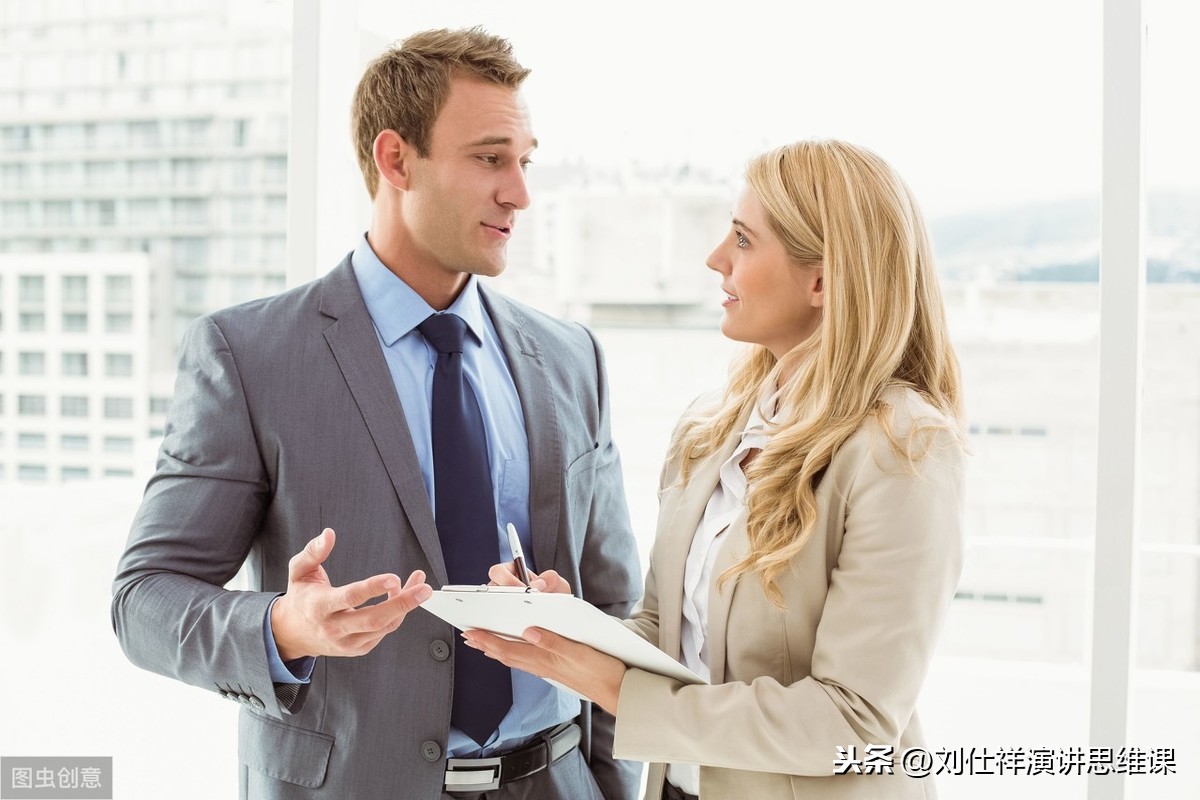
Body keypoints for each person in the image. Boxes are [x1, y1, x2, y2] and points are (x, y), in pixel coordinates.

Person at [111, 27, 643, 800]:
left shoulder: (569, 358)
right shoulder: (249, 354)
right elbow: (144, 598)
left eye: (524, 161)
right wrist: (283, 629)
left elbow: (613, 605)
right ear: (396, 160)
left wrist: (611, 786)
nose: (520, 193)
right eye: (490, 158)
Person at [466, 139, 967, 800]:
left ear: (823, 279)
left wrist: (619, 692)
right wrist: (570, 627)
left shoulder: (903, 448)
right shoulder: (714, 427)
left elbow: (856, 721)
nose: (715, 259)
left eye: (743, 240)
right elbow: (667, 635)